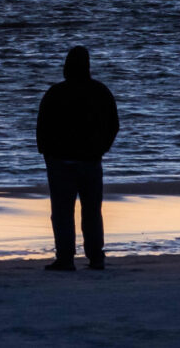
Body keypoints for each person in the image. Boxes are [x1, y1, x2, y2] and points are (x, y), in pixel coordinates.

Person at [34, 45, 119, 270]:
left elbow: (42, 128)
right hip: (89, 160)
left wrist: (48, 154)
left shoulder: (55, 93)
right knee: (91, 211)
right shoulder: (100, 92)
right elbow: (113, 125)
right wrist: (101, 149)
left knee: (62, 212)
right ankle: (95, 256)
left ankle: (65, 257)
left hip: (62, 161)